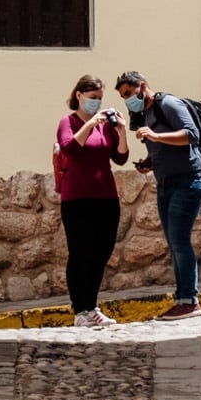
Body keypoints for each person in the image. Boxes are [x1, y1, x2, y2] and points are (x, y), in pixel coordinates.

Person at [114, 70, 201, 320]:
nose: (128, 100)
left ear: (142, 86)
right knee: (174, 243)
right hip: (166, 184)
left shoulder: (168, 104)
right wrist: (148, 162)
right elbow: (165, 149)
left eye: (130, 94)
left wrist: (155, 136)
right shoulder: (145, 114)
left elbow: (191, 135)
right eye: (123, 96)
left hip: (188, 182)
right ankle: (182, 298)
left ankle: (189, 301)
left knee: (180, 241)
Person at [56, 74, 129, 329]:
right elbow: (70, 148)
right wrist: (89, 124)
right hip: (77, 199)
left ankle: (92, 305)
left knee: (101, 252)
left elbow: (120, 158)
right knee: (80, 253)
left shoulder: (105, 126)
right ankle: (80, 310)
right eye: (92, 98)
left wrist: (120, 130)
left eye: (99, 99)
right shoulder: (68, 122)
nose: (96, 103)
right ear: (79, 95)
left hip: (105, 196)